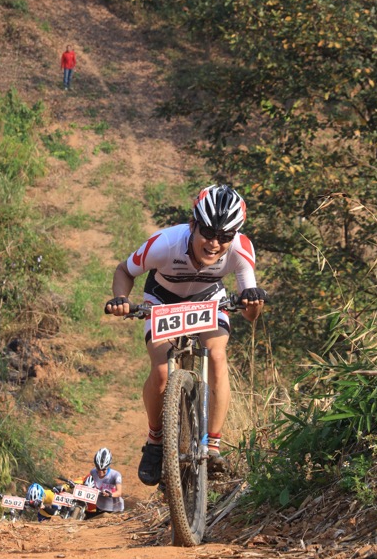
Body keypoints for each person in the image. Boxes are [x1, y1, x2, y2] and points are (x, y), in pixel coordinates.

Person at [104, 184, 268, 487]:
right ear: (193, 224)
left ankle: (213, 447)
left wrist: (253, 305)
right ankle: (155, 440)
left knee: (217, 356)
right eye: (207, 232)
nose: (215, 244)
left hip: (208, 300)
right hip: (162, 300)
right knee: (164, 371)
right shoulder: (164, 244)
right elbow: (124, 271)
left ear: (235, 235)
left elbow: (249, 314)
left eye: (225, 237)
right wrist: (120, 299)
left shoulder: (241, 250)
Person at [84, 447, 124, 516]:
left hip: (114, 510)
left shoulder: (116, 475)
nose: (100, 472)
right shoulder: (93, 472)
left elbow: (119, 492)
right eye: (98, 468)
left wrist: (110, 494)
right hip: (99, 507)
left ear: (108, 466)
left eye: (103, 470)